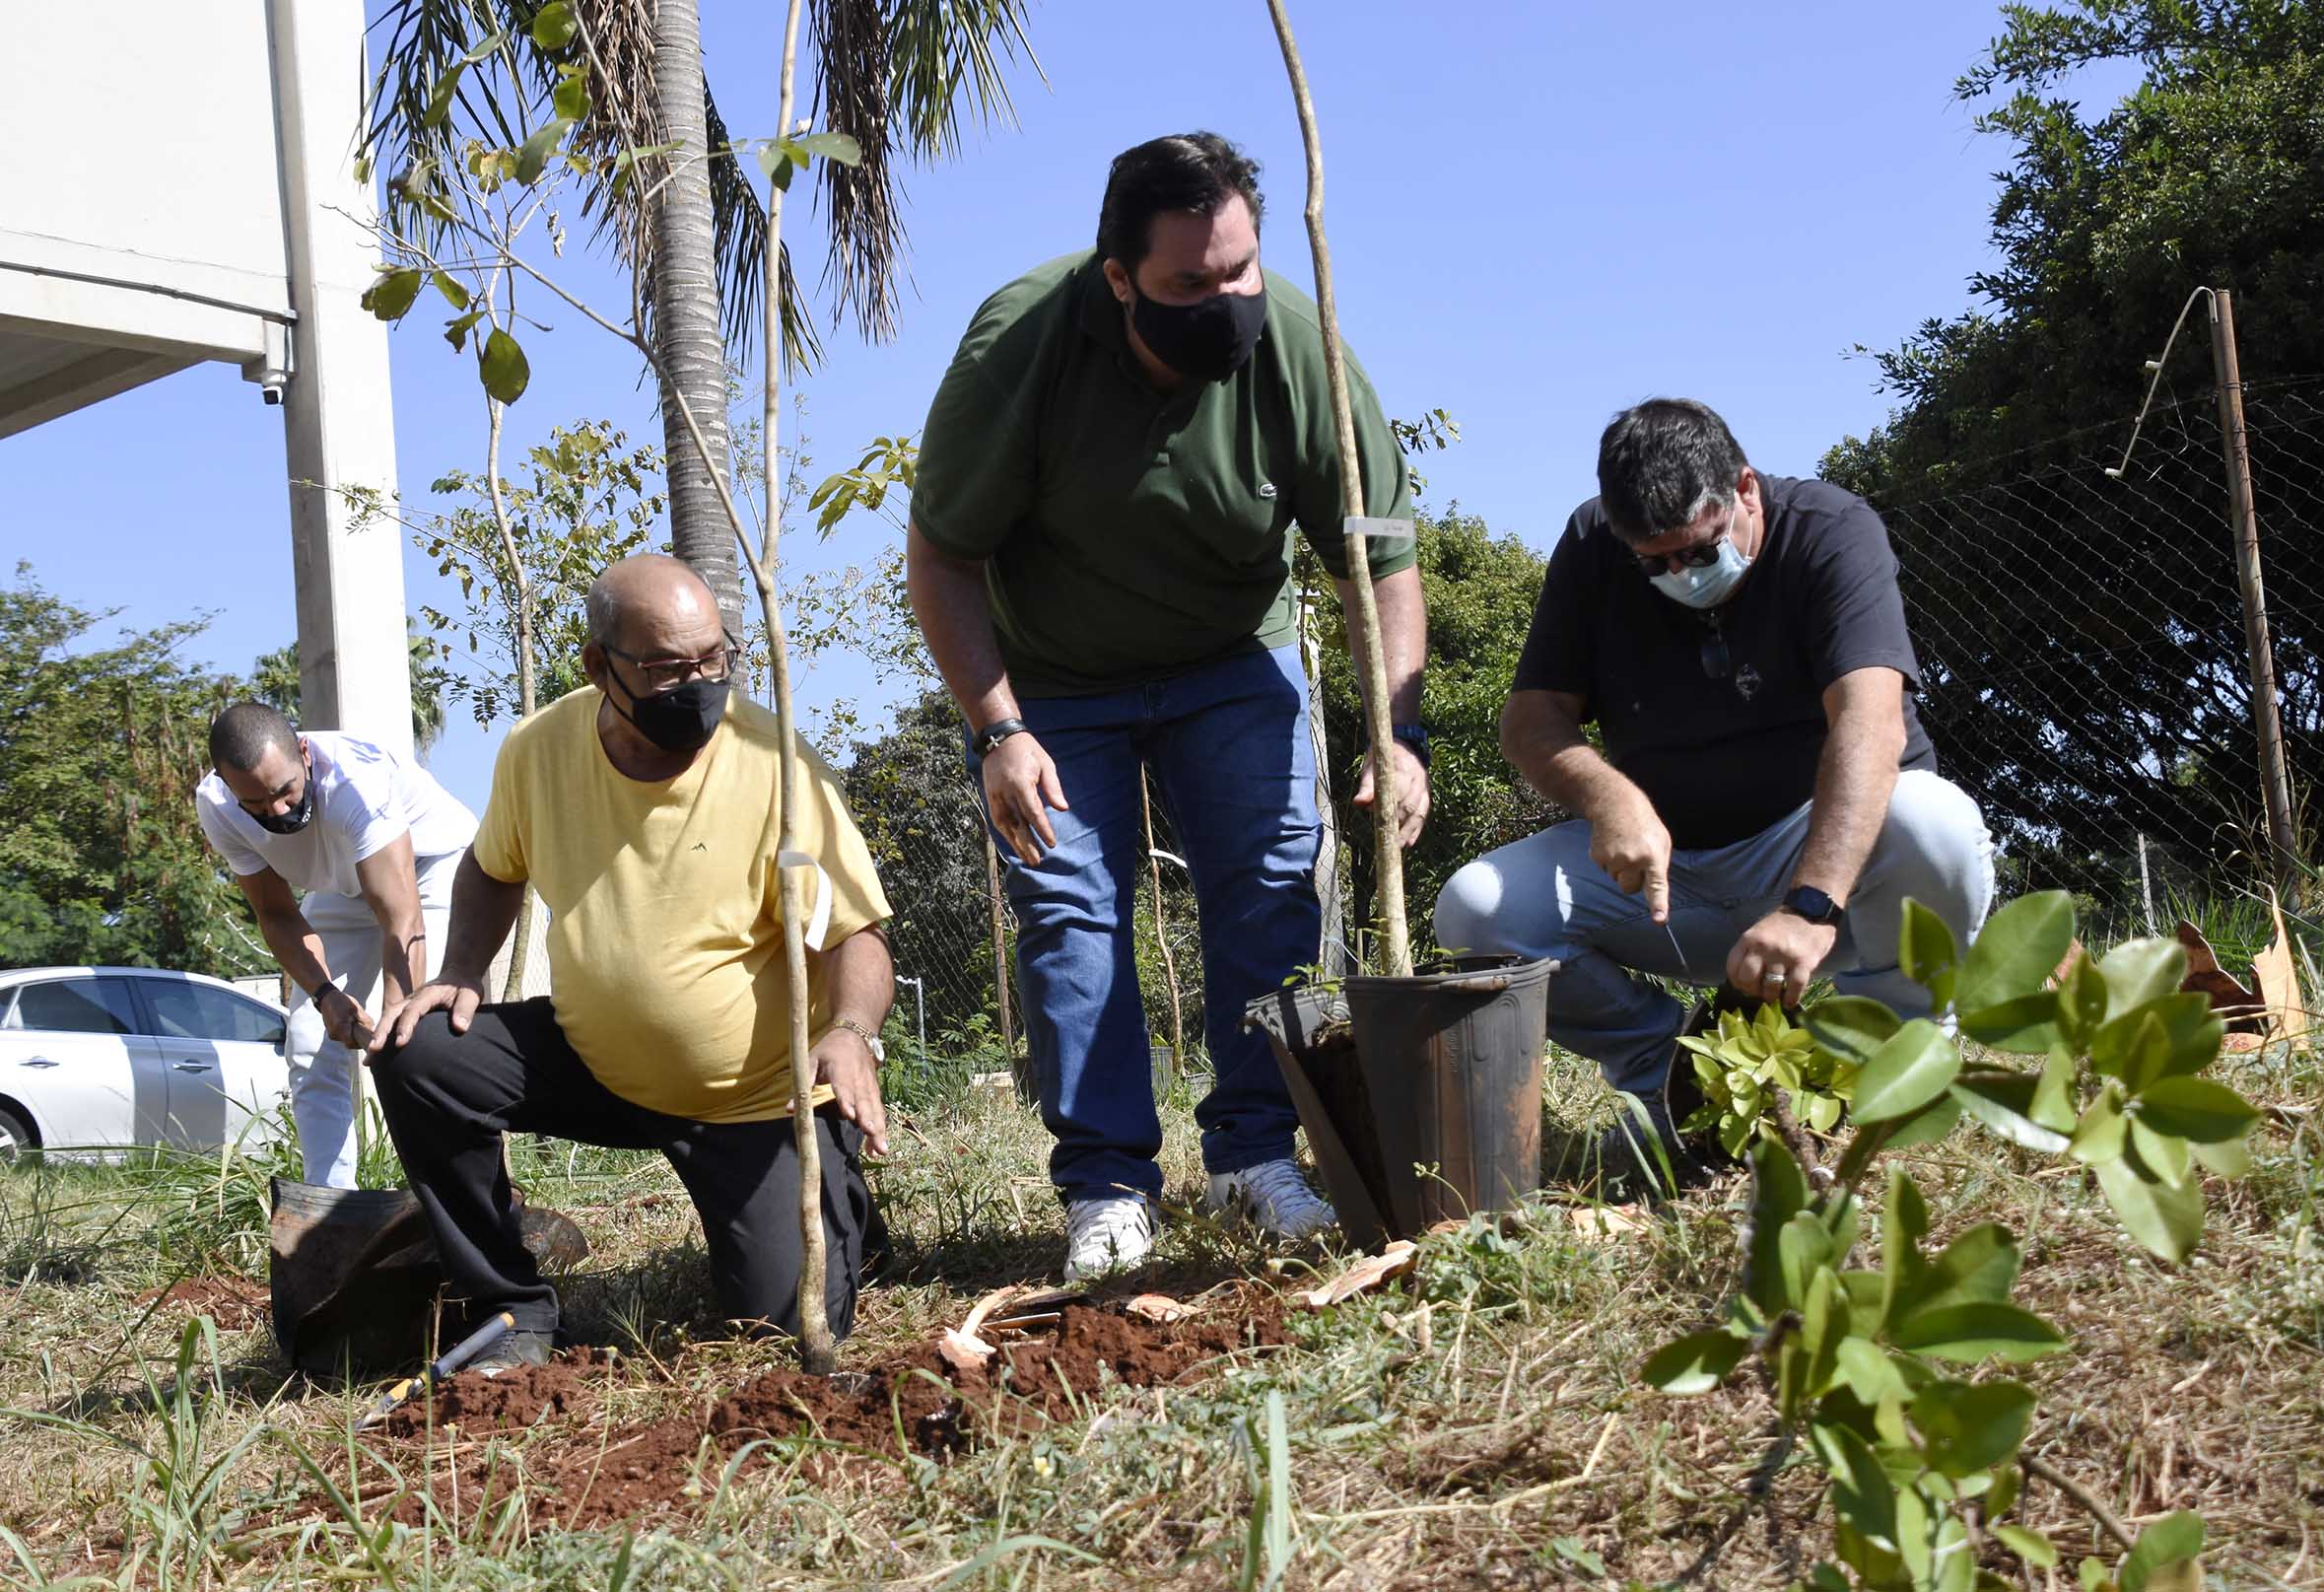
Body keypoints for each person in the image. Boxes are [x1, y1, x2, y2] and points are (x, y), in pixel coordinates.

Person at [907, 131, 1431, 1281]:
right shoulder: (1021, 346)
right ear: (1118, 278)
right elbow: (940, 559)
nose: (1227, 301)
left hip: (1228, 661)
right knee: (1067, 915)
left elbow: (1376, 563)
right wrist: (999, 730)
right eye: (1191, 284)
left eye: (1240, 269)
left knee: (1272, 888)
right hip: (1050, 683)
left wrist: (1398, 733)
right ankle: (1104, 1184)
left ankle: (1254, 1157)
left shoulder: (1296, 344)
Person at [1434, 398, 1994, 1181]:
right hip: (1675, 884)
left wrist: (1809, 905)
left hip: (1822, 874)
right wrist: (1611, 798)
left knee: (1933, 819)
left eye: (1697, 551)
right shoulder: (1594, 544)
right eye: (1652, 563)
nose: (1678, 577)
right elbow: (1531, 723)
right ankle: (1673, 1085)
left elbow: (1871, 726)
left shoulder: (1830, 529)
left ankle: (1889, 1069)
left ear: (1746, 490)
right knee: (1475, 908)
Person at [368, 554, 895, 1367]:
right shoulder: (538, 749)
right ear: (596, 665)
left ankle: (837, 1194)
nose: (700, 683)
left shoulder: (775, 764)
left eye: (715, 658)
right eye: (667, 668)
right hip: (598, 1064)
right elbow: (490, 866)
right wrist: (461, 969)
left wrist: (853, 1028)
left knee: (778, 1322)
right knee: (419, 1049)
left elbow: (857, 931)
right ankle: (512, 1312)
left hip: (750, 1100)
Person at [197, 702, 476, 1187]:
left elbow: (400, 915)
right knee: (307, 1039)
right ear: (227, 786)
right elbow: (277, 914)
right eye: (258, 806)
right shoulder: (218, 806)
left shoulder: (354, 781)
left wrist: (395, 1012)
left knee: (418, 1037)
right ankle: (330, 1206)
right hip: (341, 887)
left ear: (305, 754)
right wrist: (326, 997)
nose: (279, 812)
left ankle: (451, 1189)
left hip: (433, 868)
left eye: (285, 792)